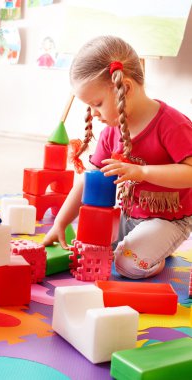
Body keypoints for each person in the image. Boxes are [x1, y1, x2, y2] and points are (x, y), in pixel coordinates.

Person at [43, 35, 192, 279]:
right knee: (89, 245)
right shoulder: (111, 132)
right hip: (128, 216)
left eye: (98, 103)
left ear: (126, 88)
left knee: (126, 265)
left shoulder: (173, 124)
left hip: (170, 221)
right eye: (89, 107)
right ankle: (145, 246)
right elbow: (86, 180)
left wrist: (142, 172)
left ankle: (156, 254)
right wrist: (60, 223)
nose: (94, 114)